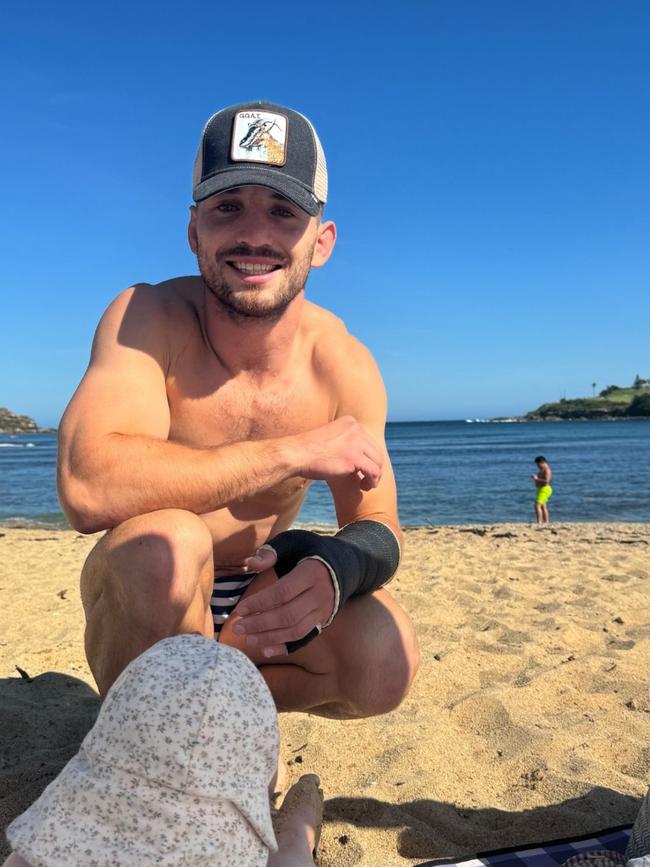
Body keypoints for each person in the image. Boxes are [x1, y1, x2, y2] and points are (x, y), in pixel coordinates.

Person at [56, 100, 419, 719]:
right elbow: (88, 484)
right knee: (166, 543)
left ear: (322, 241)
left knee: (388, 655)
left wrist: (338, 565)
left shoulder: (344, 363)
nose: (255, 235)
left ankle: (226, 713)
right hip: (148, 591)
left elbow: (378, 521)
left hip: (256, 591)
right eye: (228, 208)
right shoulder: (146, 319)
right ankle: (165, 734)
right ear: (194, 230)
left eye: (283, 211)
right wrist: (291, 453)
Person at [3, 634, 323, 866]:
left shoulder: (55, 838)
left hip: (118, 773)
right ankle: (293, 816)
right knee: (291, 847)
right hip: (236, 806)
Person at [532, 455, 553, 525]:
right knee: (543, 506)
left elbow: (547, 481)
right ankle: (546, 522)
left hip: (545, 489)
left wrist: (536, 479)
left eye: (538, 464)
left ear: (542, 462)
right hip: (541, 489)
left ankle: (539, 522)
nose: (538, 466)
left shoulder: (547, 470)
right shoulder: (542, 470)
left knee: (537, 505)